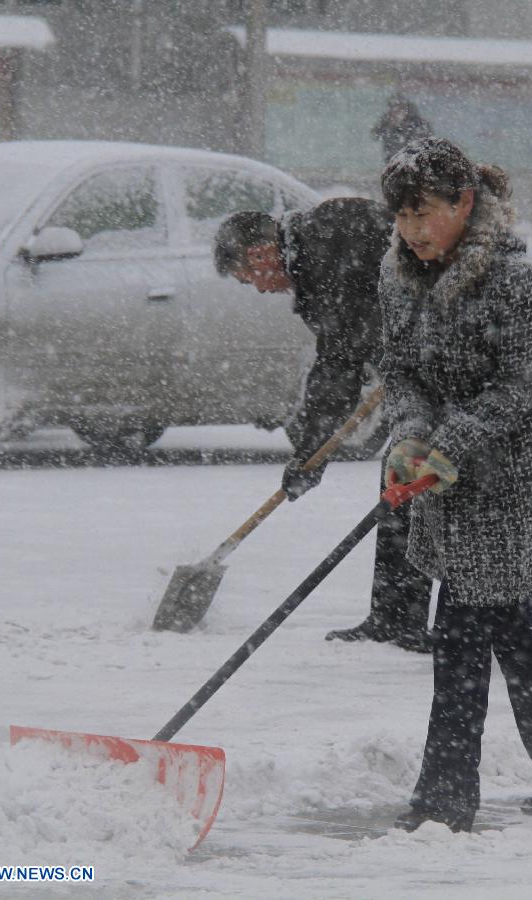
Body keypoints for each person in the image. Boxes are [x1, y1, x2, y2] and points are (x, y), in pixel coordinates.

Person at [378, 137, 532, 833]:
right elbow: (402, 373)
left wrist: (450, 444)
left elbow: (519, 389)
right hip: (446, 486)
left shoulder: (515, 282)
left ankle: (445, 797)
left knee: (461, 635)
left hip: (509, 482)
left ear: (465, 202)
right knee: (512, 628)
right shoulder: (398, 277)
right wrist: (413, 436)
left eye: (425, 213)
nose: (413, 230)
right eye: (402, 216)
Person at [214, 199, 433, 653]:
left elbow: (339, 364)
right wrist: (311, 453)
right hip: (424, 373)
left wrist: (310, 453)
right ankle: (396, 619)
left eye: (247, 278)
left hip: (449, 370)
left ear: (259, 254)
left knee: (421, 495)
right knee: (401, 490)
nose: (257, 289)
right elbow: (346, 352)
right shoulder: (316, 247)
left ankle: (461, 629)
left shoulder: (327, 247)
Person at [371, 93, 432, 163]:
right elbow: (374, 135)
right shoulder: (386, 120)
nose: (394, 112)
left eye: (398, 109)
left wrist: (399, 126)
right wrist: (388, 125)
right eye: (391, 108)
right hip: (391, 160)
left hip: (413, 162)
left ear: (405, 109)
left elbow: (422, 143)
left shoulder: (418, 123)